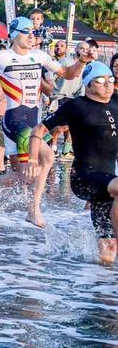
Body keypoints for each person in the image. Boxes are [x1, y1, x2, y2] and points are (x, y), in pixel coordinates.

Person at [0, 16, 91, 226]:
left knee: (23, 176)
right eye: (26, 31)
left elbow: (68, 74)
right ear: (14, 35)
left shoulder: (40, 56)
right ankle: (33, 210)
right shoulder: (1, 56)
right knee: (48, 157)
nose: (32, 35)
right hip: (15, 121)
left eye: (33, 31)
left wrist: (82, 61)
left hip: (33, 122)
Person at [33, 62, 118, 265]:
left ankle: (102, 287)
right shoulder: (76, 105)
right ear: (88, 85)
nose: (107, 85)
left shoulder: (116, 102)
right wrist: (32, 159)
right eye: (100, 81)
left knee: (108, 247)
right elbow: (38, 131)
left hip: (106, 183)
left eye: (111, 80)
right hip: (83, 177)